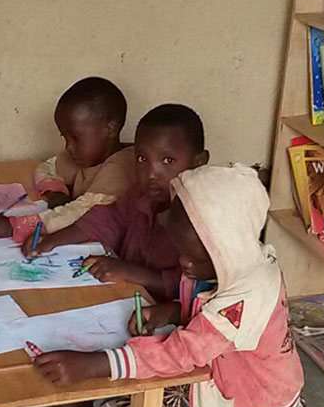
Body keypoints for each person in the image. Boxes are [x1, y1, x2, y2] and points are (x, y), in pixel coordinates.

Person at [35, 164, 315, 407]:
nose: (183, 262)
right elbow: (207, 312)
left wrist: (96, 363)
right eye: (181, 250)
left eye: (194, 256)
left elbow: (183, 351)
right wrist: (171, 310)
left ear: (227, 248)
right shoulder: (243, 262)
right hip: (220, 378)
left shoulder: (245, 298)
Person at [24, 103, 209, 302]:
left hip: (163, 317)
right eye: (142, 158)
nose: (151, 174)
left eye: (168, 161)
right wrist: (54, 240)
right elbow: (106, 220)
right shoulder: (140, 196)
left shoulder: (201, 220)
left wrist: (129, 271)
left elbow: (191, 285)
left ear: (199, 161)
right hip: (123, 296)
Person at [0, 77, 135, 241]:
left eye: (75, 137)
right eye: (65, 137)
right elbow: (47, 167)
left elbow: (80, 214)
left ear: (110, 129)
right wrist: (56, 192)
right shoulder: (86, 156)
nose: (68, 147)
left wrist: (14, 226)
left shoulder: (121, 168)